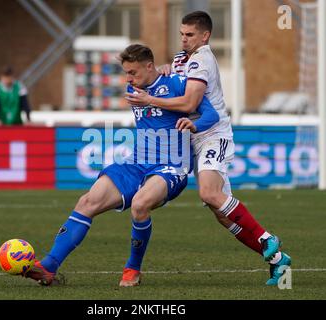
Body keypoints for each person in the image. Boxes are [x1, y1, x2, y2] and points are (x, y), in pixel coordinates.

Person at [22, 44, 220, 286]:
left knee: (139, 205)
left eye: (133, 72)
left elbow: (212, 115)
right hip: (137, 162)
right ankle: (49, 266)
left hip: (171, 166)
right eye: (126, 72)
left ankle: (132, 269)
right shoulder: (134, 87)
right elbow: (152, 92)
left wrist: (194, 125)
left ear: (149, 67)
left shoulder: (179, 84)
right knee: (87, 201)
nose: (128, 79)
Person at [125, 11, 291, 286]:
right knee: (222, 213)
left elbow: (190, 104)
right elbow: (174, 79)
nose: (184, 39)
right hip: (193, 138)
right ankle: (277, 261)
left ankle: (267, 238)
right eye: (181, 34)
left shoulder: (202, 59)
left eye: (189, 35)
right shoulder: (182, 60)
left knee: (209, 193)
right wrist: (164, 70)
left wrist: (150, 99)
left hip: (212, 134)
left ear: (205, 36)